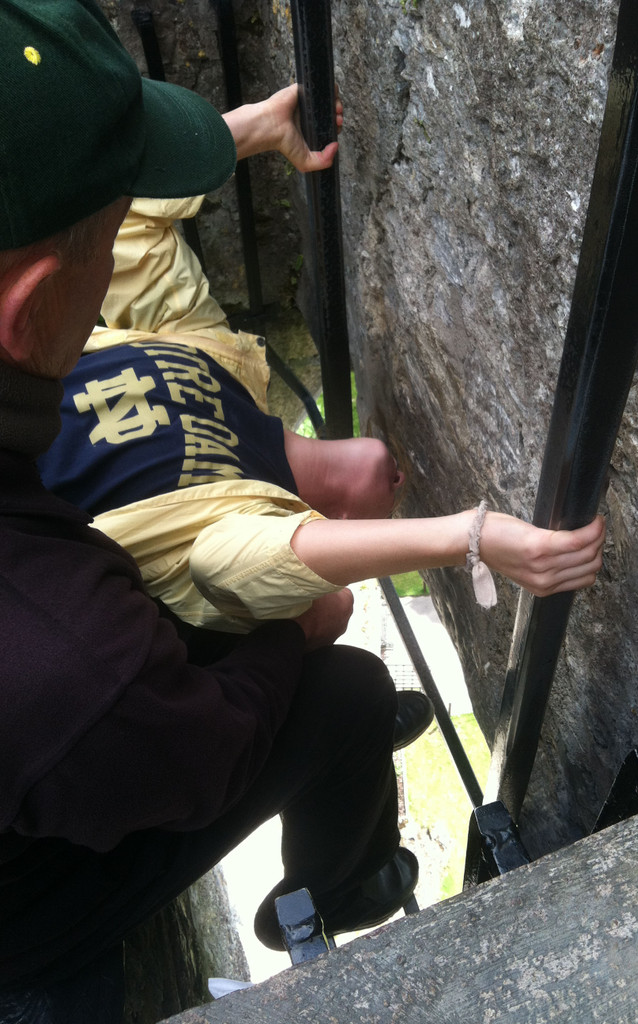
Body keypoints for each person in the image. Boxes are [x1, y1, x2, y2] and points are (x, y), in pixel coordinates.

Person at [0, 2, 422, 1021]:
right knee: (351, 691)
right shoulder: (64, 649)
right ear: (32, 304)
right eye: (97, 247)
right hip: (25, 895)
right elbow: (197, 750)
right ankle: (342, 891)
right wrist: (289, 636)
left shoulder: (143, 362)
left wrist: (251, 130)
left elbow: (143, 245)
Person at [38, 196, 605, 635]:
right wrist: (471, 536)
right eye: (393, 511)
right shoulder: (219, 363)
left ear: (337, 524)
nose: (401, 481)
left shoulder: (226, 518)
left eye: (393, 504)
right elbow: (133, 224)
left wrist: (256, 129)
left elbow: (236, 566)